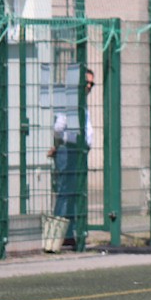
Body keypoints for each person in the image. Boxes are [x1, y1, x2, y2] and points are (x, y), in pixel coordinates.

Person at [47, 68, 95, 246]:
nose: (89, 86)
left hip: (79, 151)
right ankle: (54, 236)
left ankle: (70, 234)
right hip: (70, 151)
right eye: (86, 83)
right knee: (65, 193)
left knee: (75, 193)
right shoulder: (71, 101)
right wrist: (66, 141)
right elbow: (59, 128)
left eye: (91, 84)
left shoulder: (82, 103)